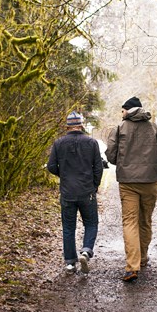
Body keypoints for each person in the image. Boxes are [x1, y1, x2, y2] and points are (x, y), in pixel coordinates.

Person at [105, 96, 157, 282]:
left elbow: (110, 155)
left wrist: (123, 163)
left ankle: (132, 266)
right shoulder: (156, 129)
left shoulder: (119, 128)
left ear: (128, 110)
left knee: (130, 222)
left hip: (128, 183)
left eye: (122, 110)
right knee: (145, 220)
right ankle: (142, 258)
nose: (121, 113)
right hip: (151, 181)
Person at [47, 111, 103, 274]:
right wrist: (94, 185)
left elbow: (51, 166)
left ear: (67, 127)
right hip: (87, 191)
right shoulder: (91, 143)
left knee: (68, 227)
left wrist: (63, 175)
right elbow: (98, 168)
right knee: (91, 223)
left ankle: (70, 263)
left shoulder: (58, 143)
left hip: (67, 192)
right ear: (81, 125)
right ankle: (86, 251)